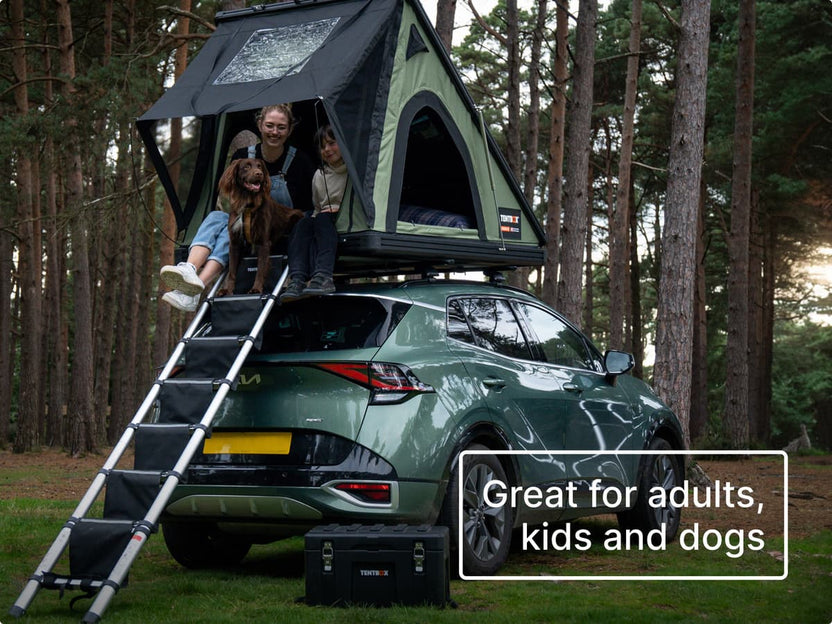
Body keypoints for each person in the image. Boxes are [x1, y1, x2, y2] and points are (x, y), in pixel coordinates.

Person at [160, 103, 315, 311]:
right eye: (270, 125)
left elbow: (308, 207)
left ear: (289, 130)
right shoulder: (242, 156)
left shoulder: (300, 162)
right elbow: (235, 196)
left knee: (237, 226)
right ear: (260, 125)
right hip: (246, 222)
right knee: (219, 218)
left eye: (281, 127)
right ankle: (190, 269)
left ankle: (194, 291)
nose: (274, 132)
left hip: (278, 230)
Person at [279, 125, 347, 302]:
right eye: (322, 146)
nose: (327, 150)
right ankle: (298, 278)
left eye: (332, 143)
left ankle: (324, 275)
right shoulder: (319, 174)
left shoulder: (352, 171)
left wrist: (339, 209)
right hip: (323, 216)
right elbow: (318, 205)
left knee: (323, 218)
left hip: (346, 215)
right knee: (304, 222)